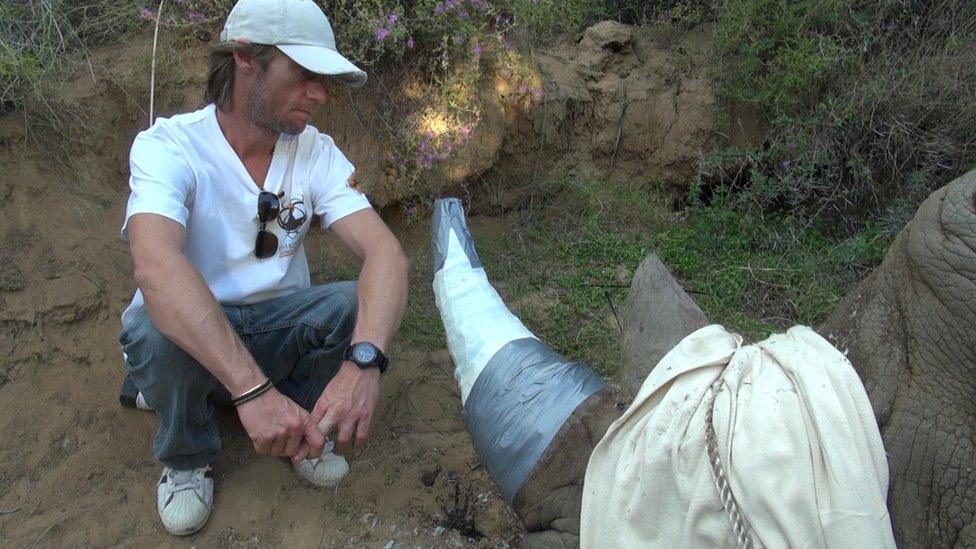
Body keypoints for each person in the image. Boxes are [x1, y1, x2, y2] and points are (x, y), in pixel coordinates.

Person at [117, 0, 409, 536]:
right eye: (302, 75)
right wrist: (253, 393)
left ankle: (302, 427)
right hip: (197, 334)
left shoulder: (314, 152)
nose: (319, 95)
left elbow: (386, 254)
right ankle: (187, 456)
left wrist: (365, 363)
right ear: (246, 59)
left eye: (323, 79)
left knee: (350, 306)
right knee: (152, 326)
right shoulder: (170, 147)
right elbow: (156, 265)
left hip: (273, 324)